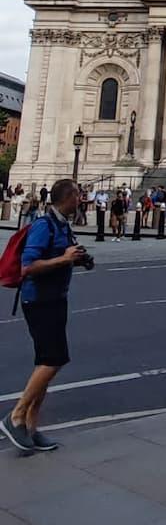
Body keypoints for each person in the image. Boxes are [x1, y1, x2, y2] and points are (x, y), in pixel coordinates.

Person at [0, 178, 90, 453]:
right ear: (68, 197)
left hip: (54, 299)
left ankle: (30, 426)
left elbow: (63, 255)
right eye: (78, 195)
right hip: (38, 300)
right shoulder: (43, 225)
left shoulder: (62, 224)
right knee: (54, 360)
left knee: (46, 362)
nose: (81, 200)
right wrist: (64, 259)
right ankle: (15, 416)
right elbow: (28, 266)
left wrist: (80, 259)